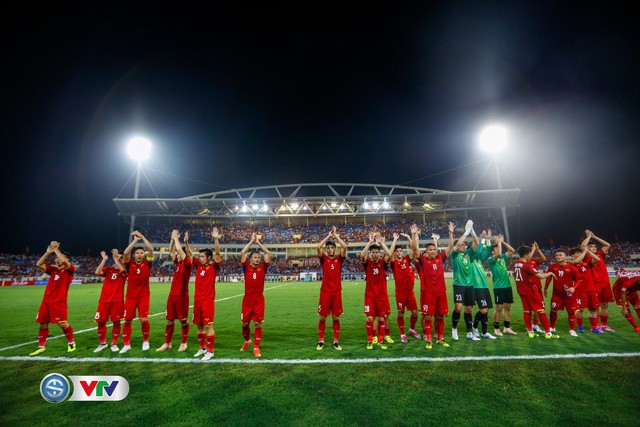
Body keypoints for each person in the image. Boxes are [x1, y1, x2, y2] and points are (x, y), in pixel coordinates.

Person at [29, 241, 77, 355]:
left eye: (59, 258)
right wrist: (48, 252)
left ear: (67, 260)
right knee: (43, 324)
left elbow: (65, 261)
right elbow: (38, 264)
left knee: (62, 324)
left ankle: (71, 342)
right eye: (56, 258)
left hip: (59, 302)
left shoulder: (70, 270)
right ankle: (41, 346)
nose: (57, 259)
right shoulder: (53, 270)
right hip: (46, 302)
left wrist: (56, 249)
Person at [410, 223, 452, 349]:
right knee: (428, 316)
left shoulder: (440, 258)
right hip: (429, 293)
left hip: (441, 292)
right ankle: (429, 339)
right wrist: (413, 234)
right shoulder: (423, 260)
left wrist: (450, 232)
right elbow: (414, 249)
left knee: (440, 316)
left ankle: (440, 338)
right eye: (430, 250)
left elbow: (450, 246)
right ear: (426, 252)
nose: (433, 251)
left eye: (434, 249)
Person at [157, 230, 193, 353]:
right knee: (169, 320)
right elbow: (171, 251)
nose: (176, 255)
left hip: (182, 296)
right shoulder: (178, 264)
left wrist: (177, 239)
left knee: (183, 321)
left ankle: (184, 343)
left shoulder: (188, 264)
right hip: (172, 296)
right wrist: (172, 239)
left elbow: (180, 252)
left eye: (179, 254)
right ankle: (167, 343)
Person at [120, 230, 154, 353]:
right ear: (134, 255)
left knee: (144, 319)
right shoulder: (129, 265)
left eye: (141, 253)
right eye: (137, 253)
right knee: (127, 320)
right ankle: (126, 344)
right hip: (130, 297)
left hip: (144, 296)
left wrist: (142, 237)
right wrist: (135, 240)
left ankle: (145, 341)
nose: (139, 255)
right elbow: (125, 253)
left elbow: (150, 250)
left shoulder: (147, 263)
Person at [513, 245, 558, 339]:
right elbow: (541, 276)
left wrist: (533, 249)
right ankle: (548, 334)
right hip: (531, 292)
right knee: (541, 310)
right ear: (526, 254)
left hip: (522, 292)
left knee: (527, 311)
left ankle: (530, 332)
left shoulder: (516, 263)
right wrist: (550, 273)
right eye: (529, 253)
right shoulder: (527, 266)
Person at [190, 228, 222, 360]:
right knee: (199, 326)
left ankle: (210, 351)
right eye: (200, 256)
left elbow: (218, 254)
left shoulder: (214, 267)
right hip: (197, 299)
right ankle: (202, 348)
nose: (200, 258)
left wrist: (215, 239)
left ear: (209, 257)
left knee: (208, 325)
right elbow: (187, 254)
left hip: (208, 300)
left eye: (203, 256)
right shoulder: (198, 265)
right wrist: (186, 242)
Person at [316, 226, 348, 350]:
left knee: (336, 317)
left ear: (335, 249)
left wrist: (336, 237)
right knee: (323, 317)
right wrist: (329, 236)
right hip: (325, 291)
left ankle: (335, 341)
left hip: (336, 292)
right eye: (328, 248)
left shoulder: (339, 259)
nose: (329, 249)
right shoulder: (323, 259)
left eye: (332, 247)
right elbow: (318, 247)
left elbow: (345, 247)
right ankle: (321, 341)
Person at [240, 232, 271, 358]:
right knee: (245, 324)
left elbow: (268, 254)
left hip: (259, 300)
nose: (258, 259)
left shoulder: (263, 267)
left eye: (259, 257)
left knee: (258, 324)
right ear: (251, 259)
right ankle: (248, 341)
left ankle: (256, 348)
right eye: (255, 257)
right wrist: (251, 242)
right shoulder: (246, 267)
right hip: (247, 300)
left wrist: (258, 243)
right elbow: (242, 253)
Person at [360, 233, 392, 350]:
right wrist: (369, 242)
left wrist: (382, 244)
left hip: (382, 296)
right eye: (372, 253)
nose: (374, 254)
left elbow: (390, 254)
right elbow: (362, 255)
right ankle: (370, 340)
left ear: (380, 254)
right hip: (370, 295)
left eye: (376, 252)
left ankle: (380, 340)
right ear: (370, 254)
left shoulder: (383, 263)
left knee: (382, 318)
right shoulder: (367, 262)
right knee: (369, 318)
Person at [389, 232, 421, 343]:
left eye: (400, 251)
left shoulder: (406, 260)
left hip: (410, 292)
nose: (399, 253)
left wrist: (409, 237)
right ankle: (402, 334)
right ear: (394, 253)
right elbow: (389, 254)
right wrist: (394, 240)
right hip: (400, 292)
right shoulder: (393, 263)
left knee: (415, 313)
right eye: (397, 251)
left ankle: (412, 329)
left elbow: (413, 249)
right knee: (401, 313)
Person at [93, 249, 127, 352]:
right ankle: (102, 343)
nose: (119, 259)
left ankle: (114, 343)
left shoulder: (124, 271)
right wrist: (104, 260)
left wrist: (115, 259)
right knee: (100, 322)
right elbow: (97, 272)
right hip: (104, 300)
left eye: (121, 258)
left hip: (117, 301)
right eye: (118, 257)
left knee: (116, 322)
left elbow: (123, 270)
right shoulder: (108, 269)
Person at [450, 220, 478, 341]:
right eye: (461, 245)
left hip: (469, 285)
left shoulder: (468, 254)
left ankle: (469, 332)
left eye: (463, 245)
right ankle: (454, 329)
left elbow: (476, 243)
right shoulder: (454, 254)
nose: (463, 245)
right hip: (459, 285)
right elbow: (457, 244)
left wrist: (472, 232)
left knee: (469, 309)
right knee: (458, 308)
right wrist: (466, 232)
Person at [544, 249, 581, 337]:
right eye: (557, 255)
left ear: (566, 257)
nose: (558, 257)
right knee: (553, 310)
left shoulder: (572, 268)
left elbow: (579, 280)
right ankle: (552, 327)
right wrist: (546, 288)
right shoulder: (552, 266)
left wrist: (573, 287)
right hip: (556, 294)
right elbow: (549, 277)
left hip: (568, 295)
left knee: (571, 312)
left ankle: (572, 329)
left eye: (560, 255)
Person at [486, 234, 517, 336]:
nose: (499, 249)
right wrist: (499, 242)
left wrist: (503, 242)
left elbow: (512, 251)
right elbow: (499, 254)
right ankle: (496, 329)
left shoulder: (503, 258)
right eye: (497, 248)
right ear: (492, 251)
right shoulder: (491, 260)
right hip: (498, 287)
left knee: (507, 307)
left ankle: (507, 328)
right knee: (498, 308)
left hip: (507, 286)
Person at [569, 241, 602, 334]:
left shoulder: (587, 263)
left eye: (579, 252)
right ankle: (579, 326)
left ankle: (594, 327)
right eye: (576, 253)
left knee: (593, 309)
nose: (579, 254)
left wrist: (588, 251)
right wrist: (584, 251)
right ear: (572, 255)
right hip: (579, 290)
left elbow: (597, 259)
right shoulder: (571, 263)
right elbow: (576, 261)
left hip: (591, 289)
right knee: (580, 309)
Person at [469, 229, 497, 340]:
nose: (478, 251)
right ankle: (474, 326)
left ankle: (484, 332)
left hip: (485, 287)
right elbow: (479, 248)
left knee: (486, 311)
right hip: (477, 288)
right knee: (483, 310)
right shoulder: (470, 259)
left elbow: (488, 250)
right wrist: (483, 239)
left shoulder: (479, 259)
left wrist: (488, 239)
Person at [584, 230, 614, 331]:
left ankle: (604, 325)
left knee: (605, 305)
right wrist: (588, 239)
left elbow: (607, 245)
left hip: (605, 283)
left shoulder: (600, 254)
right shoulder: (586, 257)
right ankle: (596, 326)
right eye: (591, 247)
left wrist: (594, 236)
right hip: (594, 284)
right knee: (595, 306)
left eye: (594, 247)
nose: (593, 248)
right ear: (587, 248)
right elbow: (583, 246)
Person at [529, 242, 548, 333]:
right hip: (530, 288)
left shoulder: (534, 261)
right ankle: (529, 326)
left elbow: (544, 259)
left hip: (538, 288)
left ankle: (535, 325)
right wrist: (533, 249)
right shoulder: (522, 262)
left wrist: (538, 249)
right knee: (529, 309)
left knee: (540, 307)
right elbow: (527, 259)